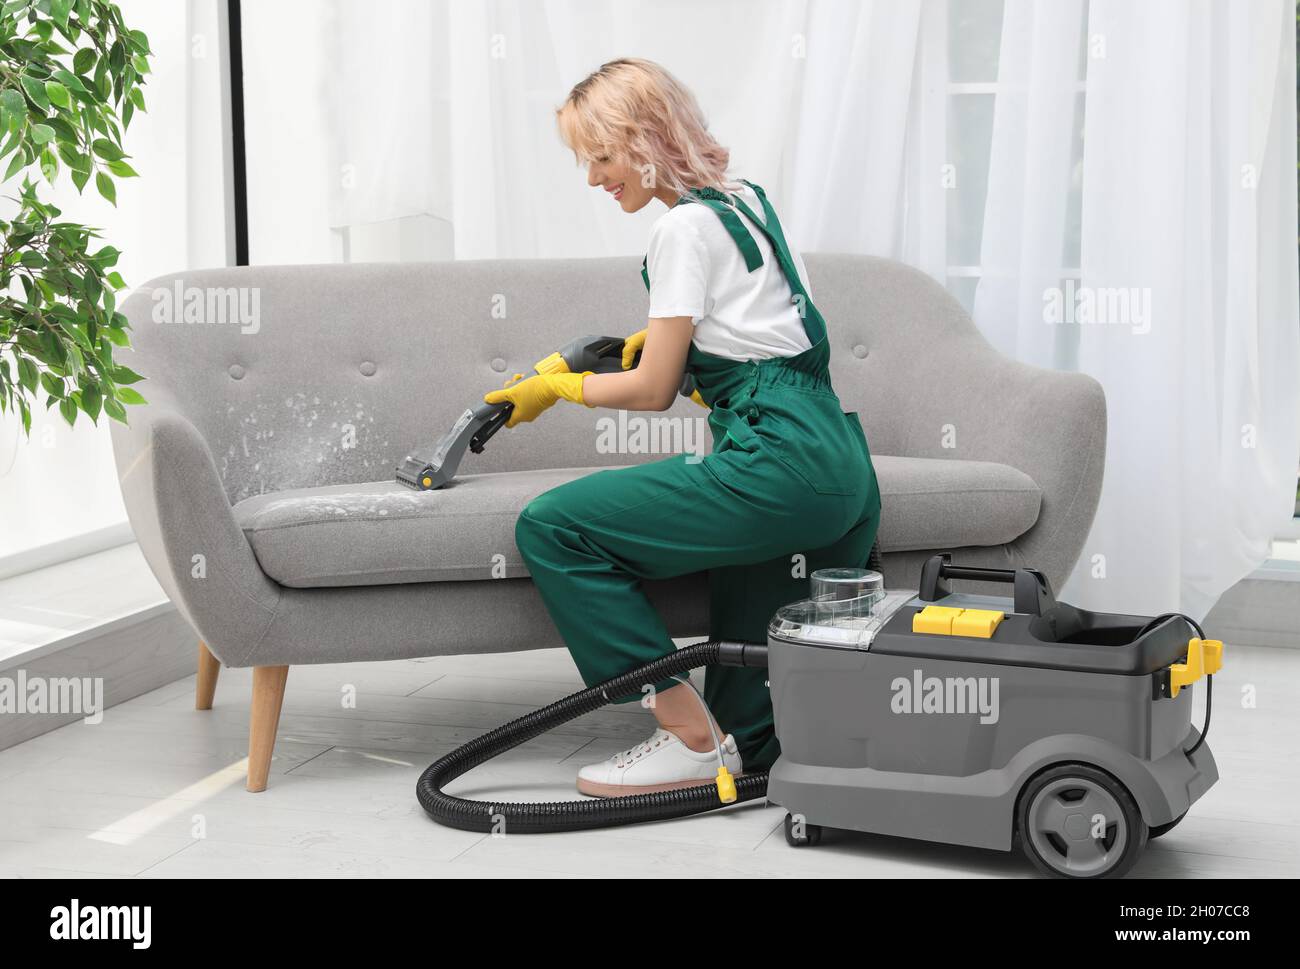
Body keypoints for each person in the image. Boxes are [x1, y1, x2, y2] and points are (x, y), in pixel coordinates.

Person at [485, 58, 880, 796]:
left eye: (600, 156)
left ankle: (681, 730)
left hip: (779, 463)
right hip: (841, 471)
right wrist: (687, 352)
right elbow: (766, 348)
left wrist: (557, 387)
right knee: (745, 684)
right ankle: (734, 755)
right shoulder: (746, 200)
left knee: (553, 527)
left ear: (640, 139)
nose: (596, 177)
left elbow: (652, 389)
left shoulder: (681, 231)